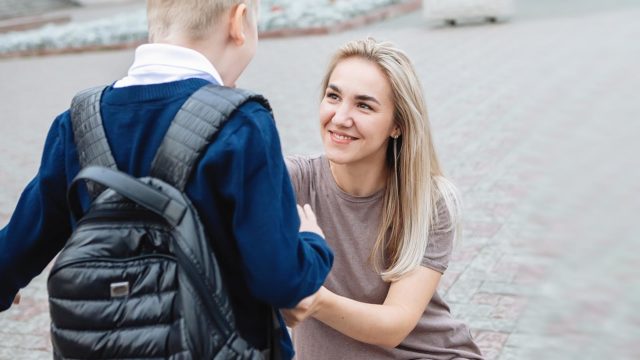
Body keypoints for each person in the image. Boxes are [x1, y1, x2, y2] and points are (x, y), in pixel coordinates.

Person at [0, 1, 333, 358]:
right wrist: (313, 245)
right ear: (239, 22)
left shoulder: (77, 123)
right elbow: (280, 281)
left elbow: (19, 246)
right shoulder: (243, 125)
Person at [283, 38, 484, 359]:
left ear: (397, 125)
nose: (340, 117)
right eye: (333, 96)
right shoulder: (291, 181)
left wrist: (314, 298)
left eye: (364, 105)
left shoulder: (428, 201)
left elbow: (395, 324)